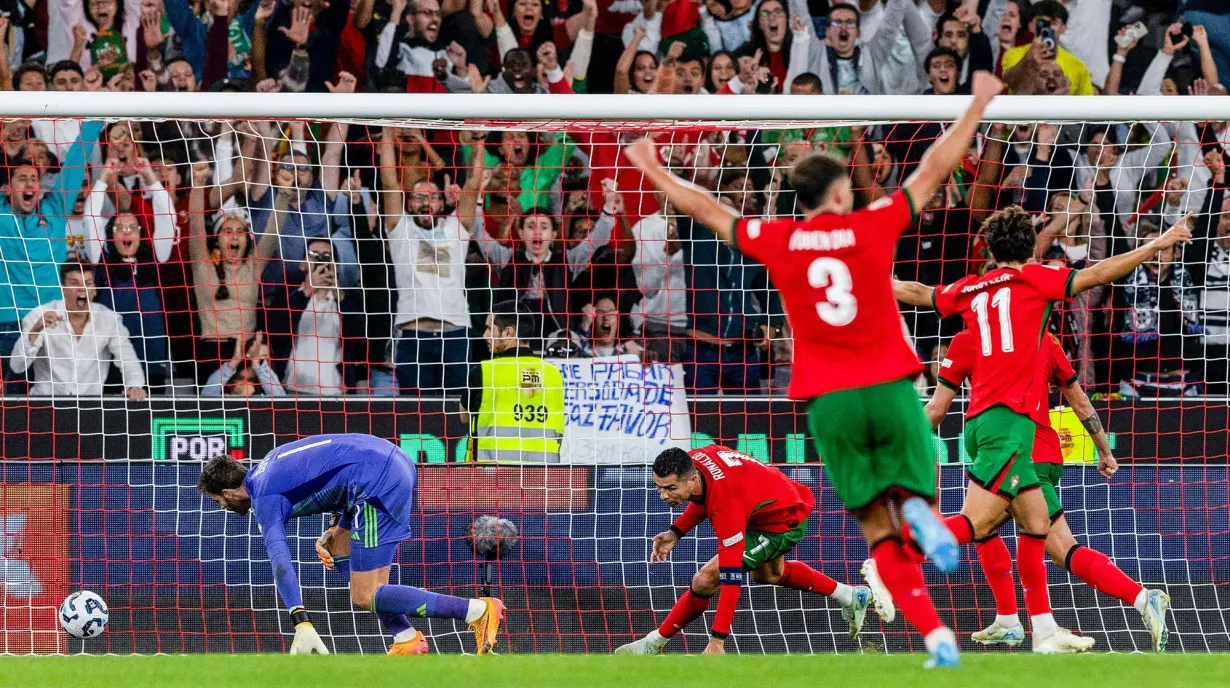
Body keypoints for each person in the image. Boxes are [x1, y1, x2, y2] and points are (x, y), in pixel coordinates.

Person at [622, 67, 1007, 670]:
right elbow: (932, 169)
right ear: (840, 193)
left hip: (827, 398)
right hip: (888, 382)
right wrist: (979, 104)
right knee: (913, 501)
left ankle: (935, 635)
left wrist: (649, 164)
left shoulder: (778, 239)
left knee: (876, 533)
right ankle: (922, 514)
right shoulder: (870, 224)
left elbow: (705, 208)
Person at [892, 208, 1192, 654]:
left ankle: (896, 560)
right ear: (1031, 246)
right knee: (1032, 530)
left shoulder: (970, 320)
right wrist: (1155, 245)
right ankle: (1032, 625)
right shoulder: (1045, 323)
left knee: (996, 528)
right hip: (1033, 442)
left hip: (1013, 437)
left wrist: (873, 279)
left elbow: (921, 302)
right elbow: (1097, 282)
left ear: (988, 252)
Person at [925, 328, 1172, 652]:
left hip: (1016, 450)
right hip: (1041, 450)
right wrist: (1104, 451)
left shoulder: (973, 339)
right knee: (1055, 547)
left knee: (975, 523)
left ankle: (900, 553)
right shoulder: (1045, 340)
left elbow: (936, 409)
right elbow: (1080, 401)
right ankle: (1142, 599)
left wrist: (905, 445)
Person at [197, 434, 506, 655]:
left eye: (217, 501)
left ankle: (476, 610)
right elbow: (335, 471)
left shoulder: (263, 497)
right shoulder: (269, 463)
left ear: (228, 492)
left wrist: (299, 618)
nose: (222, 508)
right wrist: (335, 528)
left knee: (365, 595)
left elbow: (279, 559)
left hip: (376, 483)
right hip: (386, 462)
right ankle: (406, 637)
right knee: (338, 549)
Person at [615, 445, 878, 655]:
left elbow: (731, 577)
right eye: (658, 487)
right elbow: (700, 497)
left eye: (670, 488)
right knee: (770, 575)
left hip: (783, 522)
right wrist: (676, 532)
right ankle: (851, 595)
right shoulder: (693, 461)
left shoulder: (726, 504)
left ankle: (654, 642)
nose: (663, 495)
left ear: (692, 479)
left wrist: (718, 640)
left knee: (706, 579)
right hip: (768, 503)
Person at [11, 263, 146, 400]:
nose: (82, 289)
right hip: (45, 405)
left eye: (87, 283)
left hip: (90, 408)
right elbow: (17, 366)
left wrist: (134, 386)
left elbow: (127, 358)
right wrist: (34, 332)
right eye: (74, 283)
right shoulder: (40, 315)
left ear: (94, 290)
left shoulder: (108, 319)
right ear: (63, 289)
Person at [460, 304, 565, 464]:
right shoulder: (554, 374)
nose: (484, 336)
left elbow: (464, 416)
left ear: (508, 332)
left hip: (493, 478)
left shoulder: (484, 371)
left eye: (489, 329)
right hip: (542, 477)